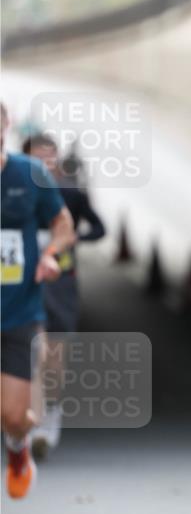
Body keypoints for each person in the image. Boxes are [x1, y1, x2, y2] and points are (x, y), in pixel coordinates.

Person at [1, 105, 75, 498]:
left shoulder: (29, 174)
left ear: (5, 126)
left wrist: (50, 255)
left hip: (18, 313)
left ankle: (18, 449)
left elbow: (64, 226)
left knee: (14, 416)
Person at [22, 134, 106, 457]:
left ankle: (50, 415)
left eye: (50, 158)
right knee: (32, 354)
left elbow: (100, 229)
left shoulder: (70, 194)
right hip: (26, 284)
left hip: (62, 286)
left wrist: (73, 239)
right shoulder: (14, 191)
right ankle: (29, 423)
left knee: (55, 360)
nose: (45, 165)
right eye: (37, 159)